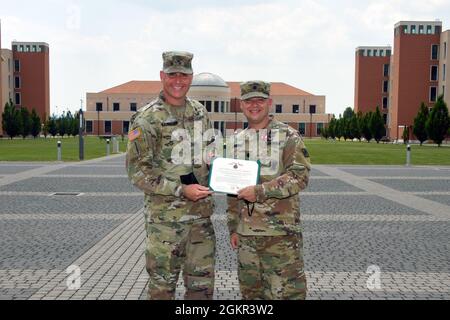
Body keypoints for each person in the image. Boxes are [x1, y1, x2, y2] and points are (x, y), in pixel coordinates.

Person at [126, 51, 215, 300]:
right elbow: (138, 172)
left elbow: (208, 157)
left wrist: (227, 173)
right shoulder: (146, 119)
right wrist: (179, 189)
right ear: (162, 76)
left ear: (191, 78)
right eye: (173, 75)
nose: (178, 80)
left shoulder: (200, 113)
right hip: (166, 224)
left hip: (200, 220)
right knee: (162, 289)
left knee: (201, 287)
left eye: (184, 75)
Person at [227, 80, 311, 300]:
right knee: (251, 297)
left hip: (280, 237)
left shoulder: (288, 136)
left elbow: (299, 176)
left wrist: (261, 191)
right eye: (249, 101)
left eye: (260, 100)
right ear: (241, 105)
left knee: (287, 294)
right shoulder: (235, 141)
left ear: (269, 103)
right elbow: (231, 192)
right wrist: (233, 228)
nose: (255, 105)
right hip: (247, 238)